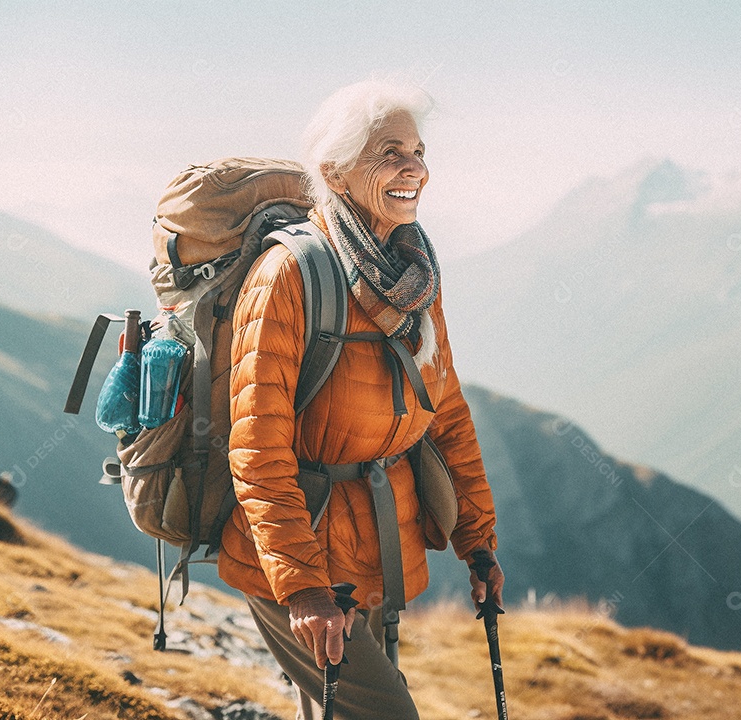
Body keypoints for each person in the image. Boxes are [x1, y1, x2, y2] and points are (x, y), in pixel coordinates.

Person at [217, 80, 504, 720]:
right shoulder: (288, 276)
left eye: (419, 151)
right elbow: (256, 448)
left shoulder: (413, 273)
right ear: (335, 172)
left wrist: (477, 541)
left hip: (379, 544)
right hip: (302, 555)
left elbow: (446, 412)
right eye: (391, 152)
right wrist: (304, 588)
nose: (416, 169)